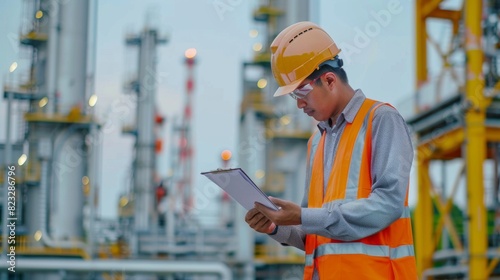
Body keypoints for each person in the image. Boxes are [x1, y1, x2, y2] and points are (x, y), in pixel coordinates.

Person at [244, 21, 417, 279]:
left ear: (329, 80)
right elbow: (314, 233)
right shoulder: (316, 143)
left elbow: (388, 204)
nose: (299, 104)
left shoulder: (381, 120)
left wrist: (302, 215)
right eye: (293, 96)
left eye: (302, 91)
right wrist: (275, 226)